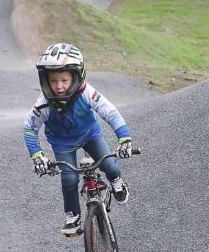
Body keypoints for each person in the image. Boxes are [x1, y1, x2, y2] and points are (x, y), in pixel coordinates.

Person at [23, 43, 134, 237]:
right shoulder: (43, 105)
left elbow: (110, 112)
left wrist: (124, 138)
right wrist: (37, 156)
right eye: (53, 81)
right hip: (62, 143)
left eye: (64, 80)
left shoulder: (87, 93)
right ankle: (72, 217)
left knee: (109, 164)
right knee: (69, 178)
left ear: (77, 76)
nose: (59, 86)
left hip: (90, 134)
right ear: (44, 81)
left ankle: (117, 181)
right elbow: (29, 129)